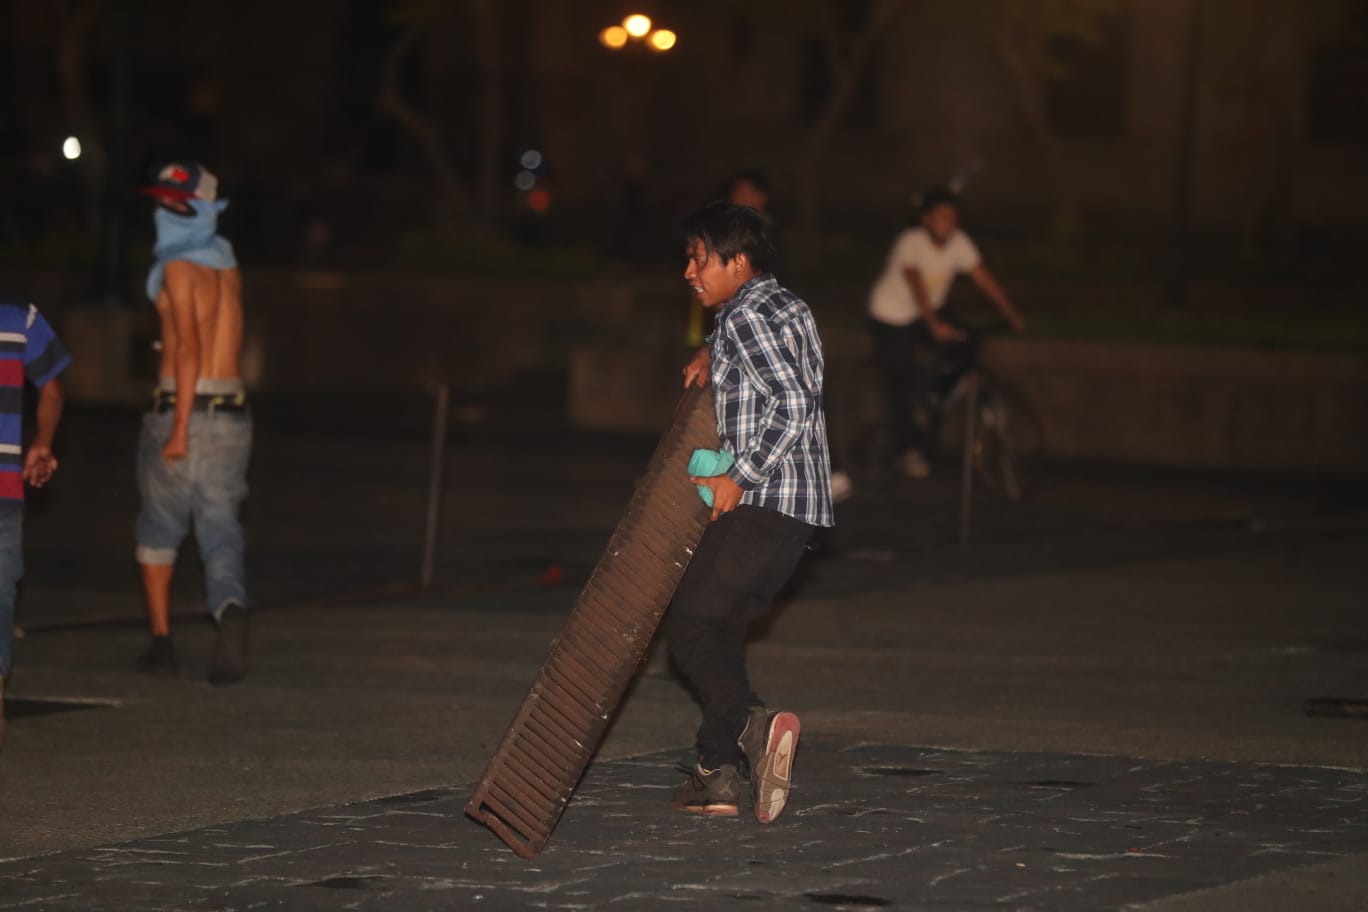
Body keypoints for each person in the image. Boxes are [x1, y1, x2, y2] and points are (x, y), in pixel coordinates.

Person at [671, 202, 833, 823]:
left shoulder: (743, 317)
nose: (690, 271)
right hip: (798, 512)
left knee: (691, 626)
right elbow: (768, 356)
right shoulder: (783, 305)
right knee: (721, 628)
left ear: (737, 262)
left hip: (763, 501)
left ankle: (753, 728)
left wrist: (741, 475)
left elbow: (793, 401)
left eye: (700, 259)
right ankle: (715, 774)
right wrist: (711, 350)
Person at [135, 161, 252, 685]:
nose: (165, 209)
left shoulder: (180, 267)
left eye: (176, 201)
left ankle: (161, 645)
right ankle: (230, 607)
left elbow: (187, 347)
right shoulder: (228, 265)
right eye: (161, 199)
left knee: (159, 527)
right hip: (232, 414)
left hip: (181, 409)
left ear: (202, 205)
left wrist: (179, 428)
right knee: (220, 524)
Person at [865, 188, 1023, 478]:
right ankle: (906, 450)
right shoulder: (911, 241)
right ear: (927, 220)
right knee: (901, 381)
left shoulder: (959, 242)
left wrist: (1009, 311)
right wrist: (933, 323)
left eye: (952, 217)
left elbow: (982, 276)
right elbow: (916, 284)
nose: (948, 223)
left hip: (928, 312)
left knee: (966, 341)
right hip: (891, 316)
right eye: (942, 217)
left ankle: (936, 394)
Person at [0, 295, 70, 748]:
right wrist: (42, 442)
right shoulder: (19, 319)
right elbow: (52, 389)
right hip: (3, 486)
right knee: (0, 595)